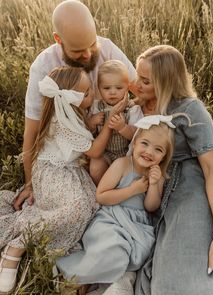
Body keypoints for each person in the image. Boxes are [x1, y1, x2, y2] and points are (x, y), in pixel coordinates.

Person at [0, 66, 117, 294]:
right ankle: (16, 246)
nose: (92, 95)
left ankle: (63, 249)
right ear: (69, 99)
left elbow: (78, 134)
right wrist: (108, 128)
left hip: (70, 171)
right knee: (77, 207)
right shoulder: (61, 121)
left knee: (90, 205)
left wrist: (90, 124)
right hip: (53, 171)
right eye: (86, 94)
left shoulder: (70, 114)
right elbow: (93, 151)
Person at [133, 45, 213, 295]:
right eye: (137, 76)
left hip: (191, 189)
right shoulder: (139, 98)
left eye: (145, 81)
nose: (136, 84)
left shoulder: (189, 110)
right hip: (156, 192)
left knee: (177, 285)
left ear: (166, 82)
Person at [15, 0, 137, 210]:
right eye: (78, 50)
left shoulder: (107, 48)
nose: (88, 55)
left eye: (92, 44)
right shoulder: (43, 67)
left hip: (113, 143)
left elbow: (140, 89)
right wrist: (29, 183)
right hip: (71, 153)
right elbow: (32, 133)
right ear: (58, 39)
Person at [56, 115, 175, 294]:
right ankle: (80, 277)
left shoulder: (157, 175)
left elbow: (151, 207)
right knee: (112, 249)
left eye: (158, 149)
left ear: (164, 156)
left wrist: (153, 185)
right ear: (134, 143)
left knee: (132, 254)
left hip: (136, 225)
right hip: (111, 218)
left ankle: (95, 282)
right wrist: (133, 190)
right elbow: (101, 196)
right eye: (145, 144)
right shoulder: (122, 164)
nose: (149, 152)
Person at [88, 60, 143, 185]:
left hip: (126, 153)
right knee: (95, 167)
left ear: (128, 88)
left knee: (129, 176)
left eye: (119, 88)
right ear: (99, 88)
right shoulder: (96, 107)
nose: (112, 92)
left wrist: (123, 127)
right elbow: (88, 132)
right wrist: (92, 122)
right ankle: (101, 189)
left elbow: (137, 135)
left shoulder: (132, 109)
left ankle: (118, 190)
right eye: (106, 88)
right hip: (105, 152)